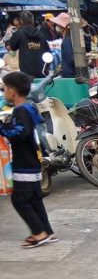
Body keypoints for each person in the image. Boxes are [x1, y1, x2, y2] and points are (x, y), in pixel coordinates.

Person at [0, 71, 56, 248]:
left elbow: (19, 133)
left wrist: (2, 128)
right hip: (32, 161)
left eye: (4, 89)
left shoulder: (21, 110)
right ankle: (47, 231)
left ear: (12, 91)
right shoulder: (29, 108)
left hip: (24, 164)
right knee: (34, 200)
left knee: (19, 200)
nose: (3, 92)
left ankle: (39, 233)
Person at [7, 11, 50, 78]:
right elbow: (48, 53)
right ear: (33, 21)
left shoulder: (19, 34)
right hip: (41, 72)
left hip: (26, 74)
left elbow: (12, 47)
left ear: (21, 21)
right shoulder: (41, 35)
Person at [50, 12, 92, 78]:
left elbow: (70, 59)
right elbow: (88, 48)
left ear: (66, 27)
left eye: (59, 24)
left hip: (70, 75)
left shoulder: (67, 40)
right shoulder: (74, 37)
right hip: (75, 74)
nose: (57, 26)